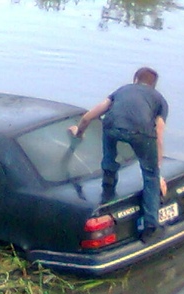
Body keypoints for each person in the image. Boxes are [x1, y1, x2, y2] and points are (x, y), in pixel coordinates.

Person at [68, 67, 168, 243]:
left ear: (135, 79)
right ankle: (151, 229)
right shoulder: (159, 100)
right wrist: (157, 172)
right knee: (149, 176)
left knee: (109, 158)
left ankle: (108, 189)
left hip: (112, 127)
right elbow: (159, 134)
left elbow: (89, 116)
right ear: (154, 85)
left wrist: (78, 134)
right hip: (142, 133)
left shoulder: (121, 90)